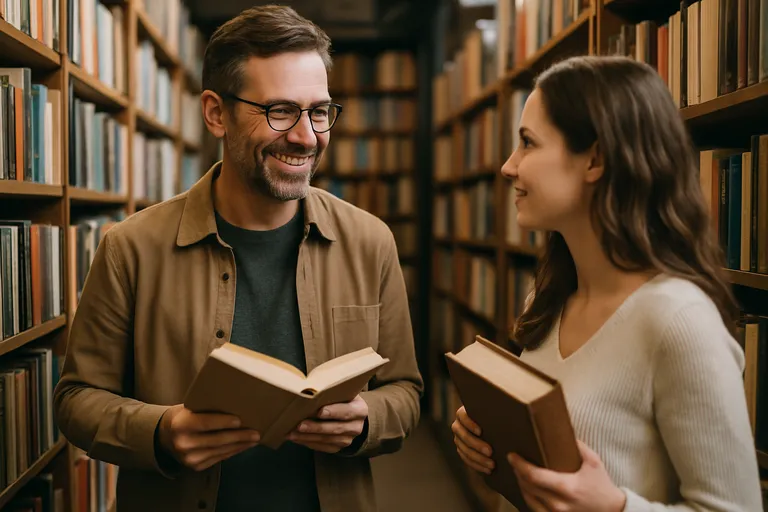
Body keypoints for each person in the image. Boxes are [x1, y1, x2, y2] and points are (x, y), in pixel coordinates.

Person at [53, 5, 423, 512]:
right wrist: (161, 431)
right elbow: (76, 401)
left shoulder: (371, 242)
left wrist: (367, 419)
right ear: (215, 113)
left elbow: (405, 391)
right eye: (279, 110)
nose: (306, 136)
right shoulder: (131, 248)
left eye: (319, 111)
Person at [451, 55, 762, 511]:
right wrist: (492, 445)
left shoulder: (678, 320)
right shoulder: (548, 298)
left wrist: (616, 508)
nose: (508, 166)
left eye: (528, 143)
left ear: (594, 158)